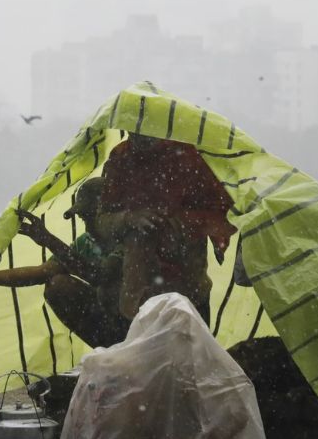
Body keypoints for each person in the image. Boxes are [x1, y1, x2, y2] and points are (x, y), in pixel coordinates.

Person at [0, 179, 129, 348]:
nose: (88, 226)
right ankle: (111, 351)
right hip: (112, 324)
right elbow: (40, 273)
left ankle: (123, 350)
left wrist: (50, 241)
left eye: (92, 217)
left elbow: (100, 275)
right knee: (58, 286)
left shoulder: (131, 239)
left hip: (139, 324)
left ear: (111, 213)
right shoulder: (87, 242)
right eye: (84, 219)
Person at [94, 134, 235, 323]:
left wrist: (178, 222)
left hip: (189, 293)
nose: (138, 132)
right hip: (138, 296)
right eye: (132, 123)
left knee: (191, 351)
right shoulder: (121, 158)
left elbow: (226, 216)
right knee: (144, 351)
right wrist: (128, 218)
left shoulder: (188, 155)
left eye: (144, 121)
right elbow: (102, 222)